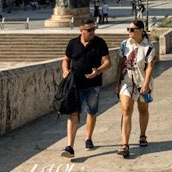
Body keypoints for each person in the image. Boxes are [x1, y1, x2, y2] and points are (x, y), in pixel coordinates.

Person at [61, 17, 111, 158]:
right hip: (75, 85)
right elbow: (66, 59)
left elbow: (108, 62)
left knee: (92, 112)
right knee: (73, 114)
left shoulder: (99, 43)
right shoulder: (73, 43)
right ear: (81, 31)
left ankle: (88, 138)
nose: (92, 32)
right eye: (89, 30)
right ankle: (70, 146)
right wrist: (65, 70)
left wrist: (98, 71)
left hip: (93, 86)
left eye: (94, 29)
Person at [115, 19, 156, 158]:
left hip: (143, 83)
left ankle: (143, 135)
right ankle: (124, 145)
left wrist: (145, 84)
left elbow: (150, 66)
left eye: (132, 29)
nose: (129, 32)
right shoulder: (125, 44)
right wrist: (117, 83)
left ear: (141, 31)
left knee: (143, 110)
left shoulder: (149, 46)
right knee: (126, 110)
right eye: (128, 29)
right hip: (127, 82)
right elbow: (120, 64)